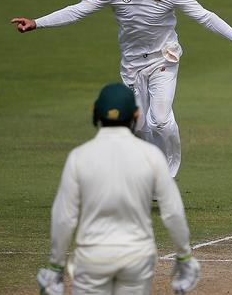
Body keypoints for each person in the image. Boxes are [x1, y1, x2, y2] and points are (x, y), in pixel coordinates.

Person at [11, 0, 232, 179]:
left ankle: (165, 177)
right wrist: (37, 23)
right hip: (132, 66)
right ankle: (149, 172)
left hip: (163, 60)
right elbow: (77, 11)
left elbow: (204, 15)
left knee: (160, 120)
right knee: (139, 125)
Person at [36, 83, 200, 294]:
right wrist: (184, 256)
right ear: (135, 114)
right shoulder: (151, 156)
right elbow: (173, 211)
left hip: (92, 258)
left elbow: (64, 217)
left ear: (96, 113)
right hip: (137, 258)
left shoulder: (79, 156)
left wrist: (56, 266)